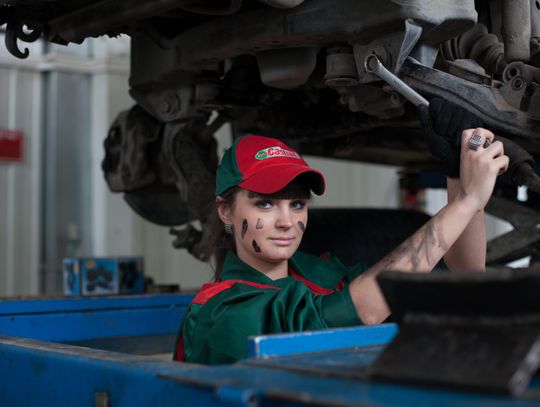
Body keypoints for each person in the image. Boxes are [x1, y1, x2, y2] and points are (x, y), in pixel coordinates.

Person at [173, 115, 509, 364]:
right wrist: (467, 203)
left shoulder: (315, 274)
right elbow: (358, 310)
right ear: (226, 211)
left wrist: (457, 175)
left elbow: (463, 277)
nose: (287, 221)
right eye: (264, 203)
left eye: (297, 204)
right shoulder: (220, 313)